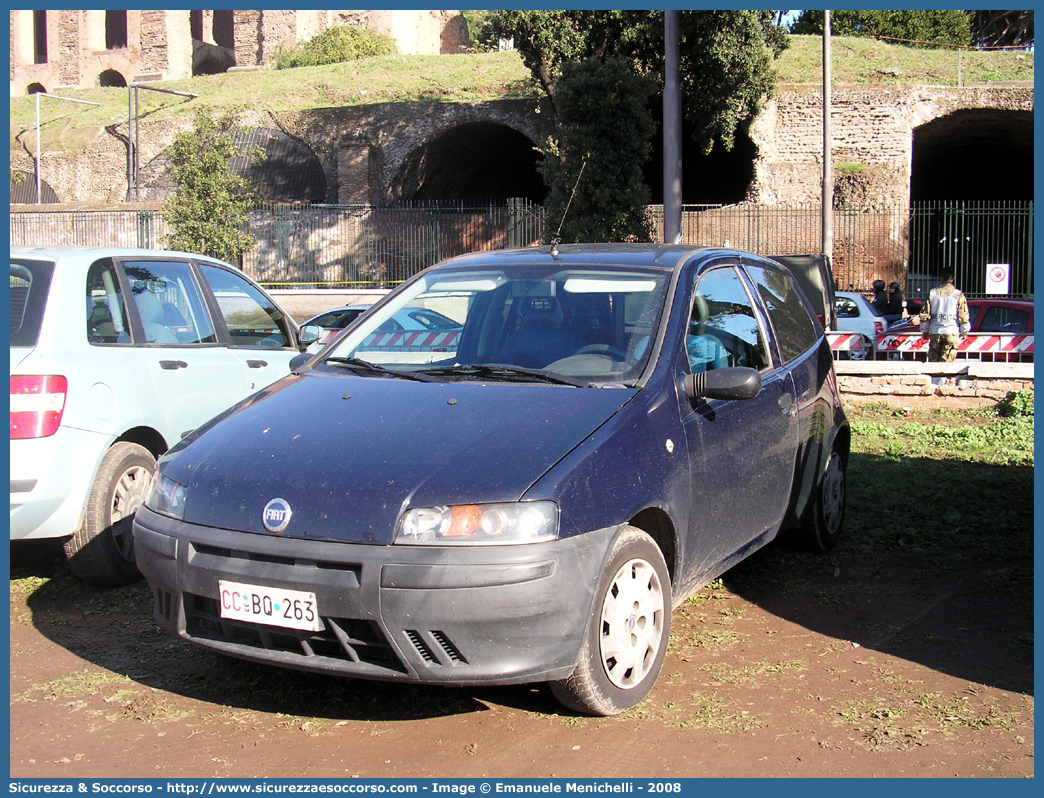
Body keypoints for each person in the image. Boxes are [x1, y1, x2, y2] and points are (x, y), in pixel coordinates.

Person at [918, 270, 970, 362]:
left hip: (935, 331)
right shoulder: (958, 294)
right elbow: (963, 315)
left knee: (933, 362)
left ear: (941, 278)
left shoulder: (932, 293)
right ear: (952, 279)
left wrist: (924, 330)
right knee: (947, 363)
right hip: (951, 331)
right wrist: (964, 331)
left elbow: (924, 314)